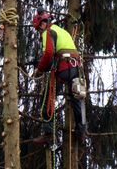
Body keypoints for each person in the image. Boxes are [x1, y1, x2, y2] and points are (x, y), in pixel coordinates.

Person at [32, 8, 85, 144]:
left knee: (47, 98)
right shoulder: (63, 32)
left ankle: (49, 134)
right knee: (78, 99)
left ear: (42, 24)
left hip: (63, 68)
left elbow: (48, 53)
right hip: (76, 68)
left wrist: (40, 69)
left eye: (39, 29)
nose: (40, 32)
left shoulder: (48, 32)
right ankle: (81, 132)